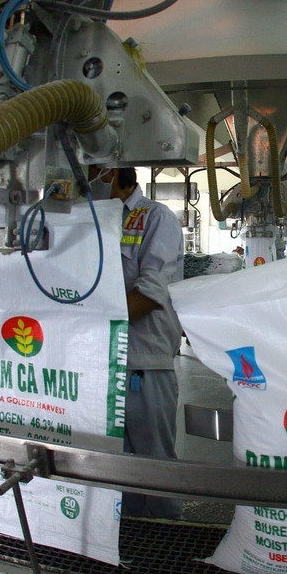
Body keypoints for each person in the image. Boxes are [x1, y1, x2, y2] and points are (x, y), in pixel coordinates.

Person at [91, 166, 185, 518]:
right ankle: (127, 533)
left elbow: (149, 293)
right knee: (117, 462)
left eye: (96, 174)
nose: (89, 183)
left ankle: (163, 541)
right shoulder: (94, 221)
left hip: (144, 358)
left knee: (154, 461)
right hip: (103, 359)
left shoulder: (155, 218)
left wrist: (86, 322)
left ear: (116, 175)